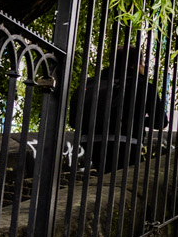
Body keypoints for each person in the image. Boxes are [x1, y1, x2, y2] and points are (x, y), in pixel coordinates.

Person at [69, 44, 167, 174]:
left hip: (92, 142)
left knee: (105, 175)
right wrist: (135, 120)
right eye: (143, 63)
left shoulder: (91, 83)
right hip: (127, 142)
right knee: (122, 178)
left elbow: (73, 120)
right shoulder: (143, 85)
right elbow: (161, 122)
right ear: (135, 64)